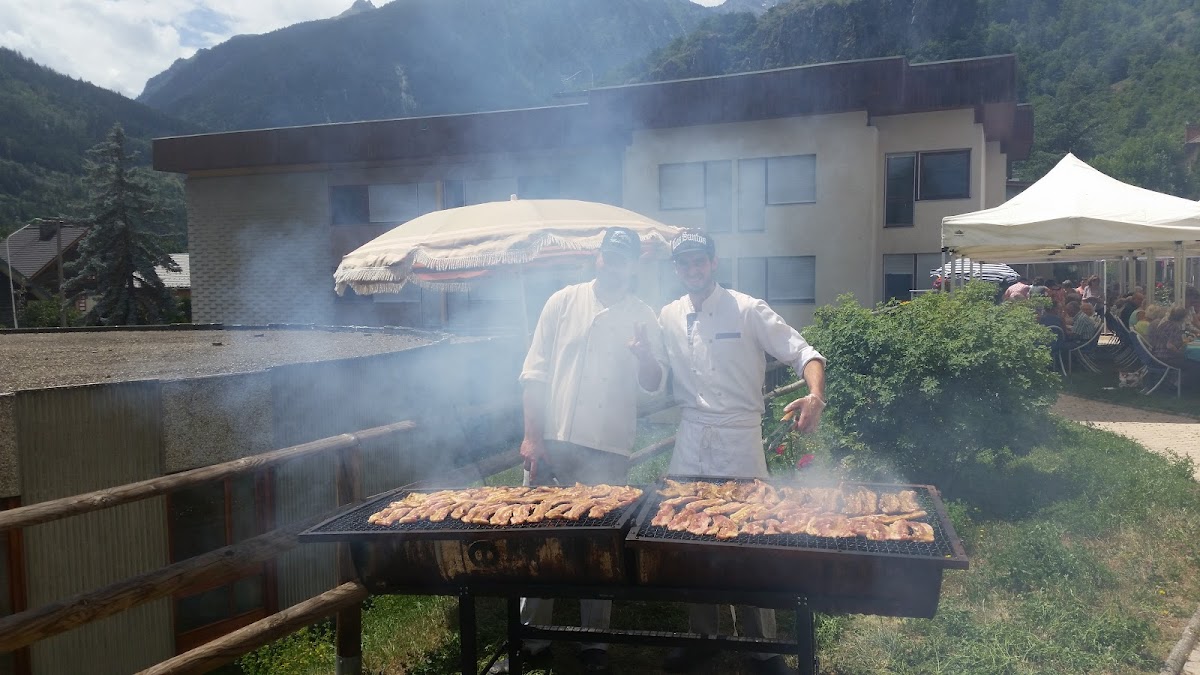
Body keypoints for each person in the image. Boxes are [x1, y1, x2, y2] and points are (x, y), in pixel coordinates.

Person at [657, 230, 826, 675]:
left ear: (713, 263)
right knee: (690, 541)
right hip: (692, 439)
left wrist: (814, 396)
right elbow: (653, 375)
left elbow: (804, 352)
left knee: (753, 541)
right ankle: (703, 638)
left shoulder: (748, 308)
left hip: (739, 439)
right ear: (676, 269)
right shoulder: (668, 316)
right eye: (684, 263)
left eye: (700, 261)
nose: (692, 270)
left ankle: (761, 647)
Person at [500, 227, 668, 675]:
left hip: (609, 448)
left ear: (634, 265)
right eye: (608, 256)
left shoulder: (643, 316)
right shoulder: (563, 302)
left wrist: (646, 357)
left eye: (623, 259)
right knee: (539, 542)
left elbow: (654, 384)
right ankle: (532, 639)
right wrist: (532, 438)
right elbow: (533, 375)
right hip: (554, 441)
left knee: (598, 548)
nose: (614, 265)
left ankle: (595, 644)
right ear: (599, 258)